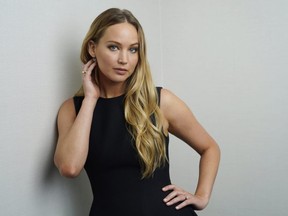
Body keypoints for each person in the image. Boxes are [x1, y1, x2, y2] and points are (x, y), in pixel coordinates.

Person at [54, 8, 220, 216]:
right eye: (114, 47)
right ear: (92, 48)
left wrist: (201, 196)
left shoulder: (159, 101)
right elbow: (69, 168)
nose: (124, 59)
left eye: (133, 49)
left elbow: (210, 148)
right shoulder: (72, 109)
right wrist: (90, 99)